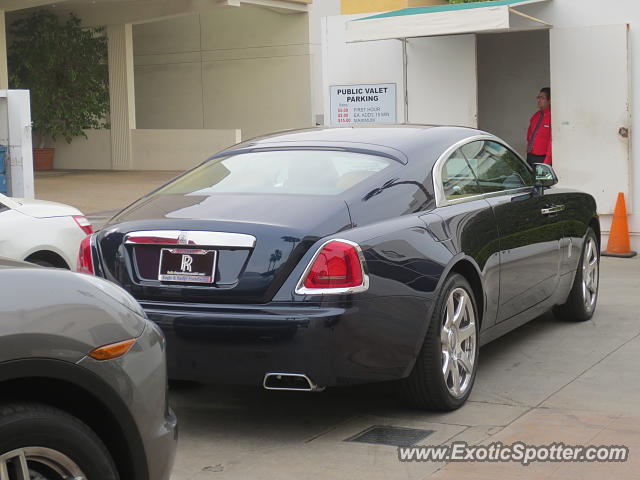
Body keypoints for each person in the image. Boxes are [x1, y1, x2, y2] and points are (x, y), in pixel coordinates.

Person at [526, 87, 552, 167]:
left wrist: (546, 162)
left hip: (543, 159)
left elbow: (552, 142)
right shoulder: (535, 116)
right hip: (530, 156)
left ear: (549, 101)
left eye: (542, 98)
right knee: (530, 178)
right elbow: (529, 136)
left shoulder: (552, 117)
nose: (539, 100)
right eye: (538, 97)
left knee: (542, 180)